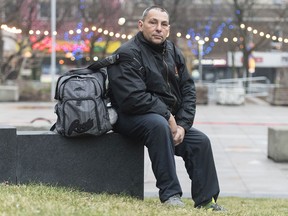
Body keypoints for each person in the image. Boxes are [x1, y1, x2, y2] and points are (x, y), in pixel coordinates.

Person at [107, 5, 225, 211]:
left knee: (200, 142)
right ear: (141, 25)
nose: (158, 28)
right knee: (158, 125)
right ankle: (171, 195)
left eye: (163, 24)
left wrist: (182, 125)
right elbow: (133, 98)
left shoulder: (172, 51)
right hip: (129, 117)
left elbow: (188, 89)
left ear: (168, 29)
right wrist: (168, 117)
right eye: (153, 23)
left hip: (166, 120)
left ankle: (206, 200)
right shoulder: (127, 53)